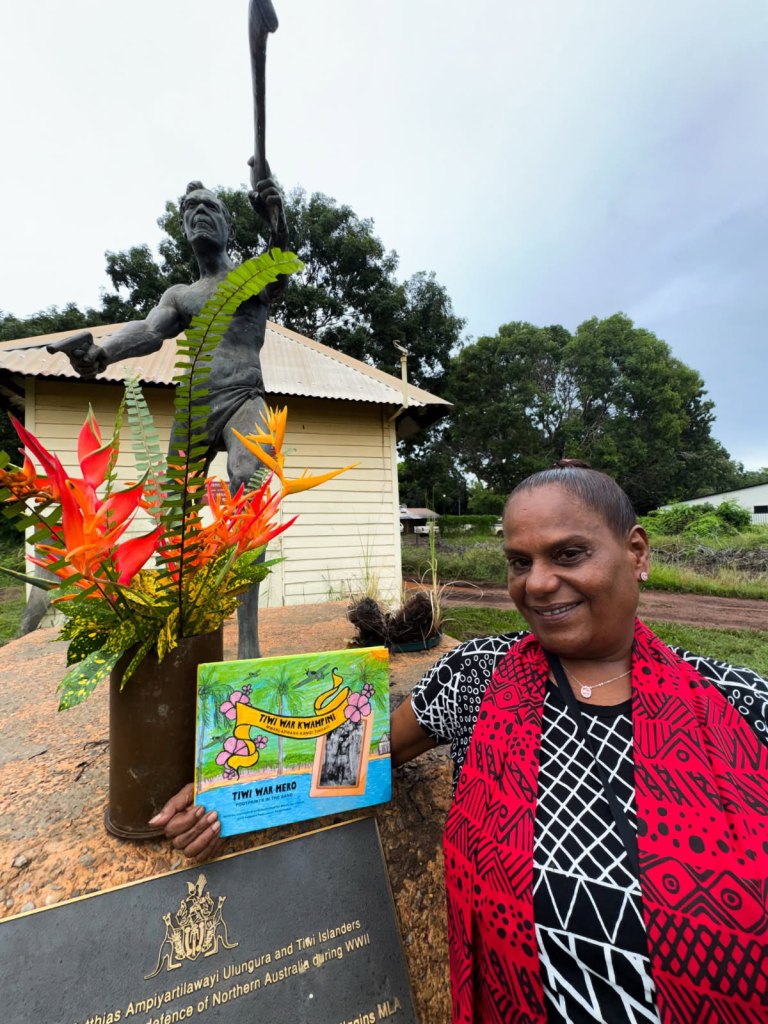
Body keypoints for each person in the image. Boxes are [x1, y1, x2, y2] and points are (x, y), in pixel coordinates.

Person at [152, 463, 768, 1023]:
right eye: (520, 562)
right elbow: (357, 752)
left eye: (569, 554)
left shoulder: (743, 707)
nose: (539, 584)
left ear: (636, 552)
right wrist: (221, 792)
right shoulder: (478, 677)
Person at [47, 174, 288, 658]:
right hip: (195, 408)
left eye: (209, 207)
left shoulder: (250, 277)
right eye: (189, 209)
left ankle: (247, 640)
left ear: (229, 226)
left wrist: (277, 219)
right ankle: (182, 630)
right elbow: (150, 331)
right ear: (183, 229)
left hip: (244, 397)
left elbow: (281, 269)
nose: (199, 213)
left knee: (248, 488)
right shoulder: (180, 294)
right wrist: (102, 354)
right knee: (175, 516)